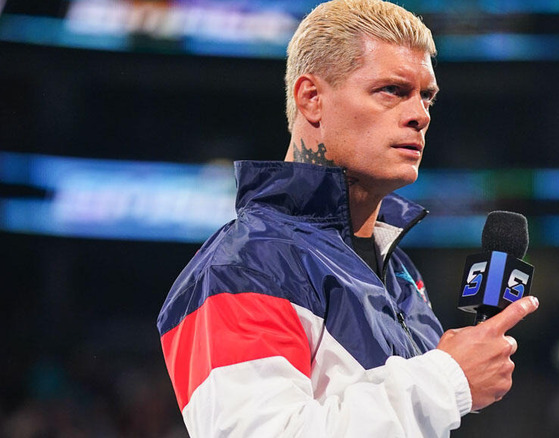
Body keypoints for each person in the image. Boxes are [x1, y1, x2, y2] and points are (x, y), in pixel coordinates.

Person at [156, 0, 539, 436]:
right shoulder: (245, 264)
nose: (420, 115)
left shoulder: (400, 273)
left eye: (426, 96)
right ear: (312, 99)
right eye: (392, 91)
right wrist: (446, 378)